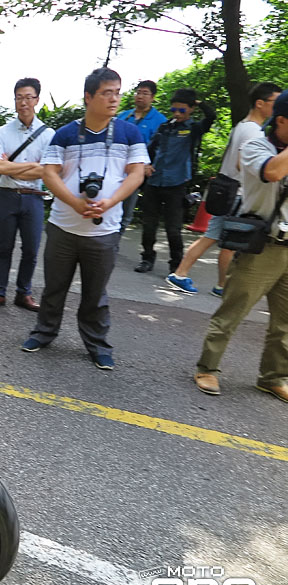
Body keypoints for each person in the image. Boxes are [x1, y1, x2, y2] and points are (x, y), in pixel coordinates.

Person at [21, 68, 148, 370]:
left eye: (117, 92)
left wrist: (110, 202)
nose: (115, 98)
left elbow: (137, 173)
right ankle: (44, 332)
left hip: (105, 230)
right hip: (64, 226)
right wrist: (75, 203)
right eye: (107, 92)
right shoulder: (65, 134)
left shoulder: (130, 133)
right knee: (54, 287)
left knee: (95, 293)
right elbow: (50, 173)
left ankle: (97, 345)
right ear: (88, 97)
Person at [193, 90, 288, 402]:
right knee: (233, 311)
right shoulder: (256, 144)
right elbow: (271, 171)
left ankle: (273, 376)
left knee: (285, 322)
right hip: (263, 245)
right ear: (282, 120)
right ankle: (207, 367)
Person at [167, 82, 282, 296]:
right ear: (260, 103)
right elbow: (241, 164)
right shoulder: (253, 132)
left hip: (226, 189)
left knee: (215, 238)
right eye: (275, 103)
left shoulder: (242, 125)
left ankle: (202, 279)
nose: (278, 109)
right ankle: (206, 282)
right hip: (235, 192)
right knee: (227, 242)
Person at [0, 77, 54, 312]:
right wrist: (32, 167)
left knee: (31, 249)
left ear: (37, 100)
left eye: (28, 97)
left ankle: (24, 293)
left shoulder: (48, 134)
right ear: (14, 100)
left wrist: (14, 166)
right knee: (5, 248)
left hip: (34, 197)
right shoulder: (2, 132)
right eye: (19, 97)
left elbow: (47, 170)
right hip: (7, 195)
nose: (23, 102)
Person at [135, 88, 216, 274]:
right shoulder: (165, 127)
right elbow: (148, 149)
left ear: (190, 110)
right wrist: (146, 164)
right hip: (155, 182)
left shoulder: (194, 128)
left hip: (177, 184)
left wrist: (197, 102)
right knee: (149, 226)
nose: (177, 114)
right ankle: (147, 258)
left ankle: (175, 265)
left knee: (173, 229)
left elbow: (211, 116)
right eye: (174, 110)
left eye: (182, 110)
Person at [116, 80, 166, 233]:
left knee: (125, 211)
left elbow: (162, 149)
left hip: (136, 171)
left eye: (145, 93)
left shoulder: (160, 121)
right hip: (116, 167)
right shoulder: (123, 116)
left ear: (153, 97)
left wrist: (150, 165)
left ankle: (113, 245)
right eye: (138, 92)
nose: (140, 96)